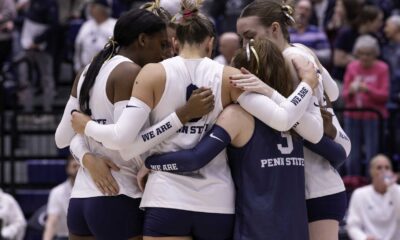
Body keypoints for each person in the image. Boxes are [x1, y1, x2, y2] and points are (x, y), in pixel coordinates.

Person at [70, 0, 323, 239]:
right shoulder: (229, 76)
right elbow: (283, 119)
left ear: (175, 42)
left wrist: (90, 130)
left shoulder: (151, 74)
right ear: (210, 43)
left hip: (165, 199)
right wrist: (307, 85)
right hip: (217, 204)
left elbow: (128, 147)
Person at [139, 38, 343, 240]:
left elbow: (195, 160)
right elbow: (338, 154)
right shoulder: (298, 120)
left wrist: (153, 162)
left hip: (255, 229)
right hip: (294, 229)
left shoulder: (237, 115)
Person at [55, 8, 185, 240]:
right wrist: (180, 117)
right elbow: (124, 143)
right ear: (143, 40)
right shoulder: (128, 71)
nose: (165, 53)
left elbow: (62, 138)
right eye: (162, 44)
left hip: (81, 201)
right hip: (118, 196)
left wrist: (87, 158)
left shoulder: (88, 70)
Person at [236, 1, 351, 239]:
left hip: (317, 179)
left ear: (275, 28)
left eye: (250, 36)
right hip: (313, 168)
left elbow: (310, 127)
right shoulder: (302, 50)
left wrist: (270, 92)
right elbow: (334, 92)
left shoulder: (288, 58)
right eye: (242, 39)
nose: (246, 45)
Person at [343, 35, 389, 176]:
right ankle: (352, 180)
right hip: (352, 115)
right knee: (352, 152)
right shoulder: (352, 67)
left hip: (373, 116)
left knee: (372, 152)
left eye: (368, 54)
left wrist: (367, 89)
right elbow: (344, 96)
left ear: (375, 54)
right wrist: (350, 91)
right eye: (361, 53)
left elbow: (384, 96)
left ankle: (372, 180)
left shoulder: (382, 68)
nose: (364, 57)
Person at [346, 154, 400, 240]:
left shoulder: (397, 191)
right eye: (379, 168)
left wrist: (392, 187)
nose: (384, 171)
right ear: (371, 172)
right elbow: (352, 225)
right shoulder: (359, 194)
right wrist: (363, 238)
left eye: (387, 168)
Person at [73, 0, 116, 73]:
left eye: (93, 6)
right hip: (85, 69)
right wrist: (78, 66)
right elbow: (78, 46)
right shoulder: (86, 25)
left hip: (106, 70)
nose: (90, 9)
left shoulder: (114, 25)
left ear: (102, 9)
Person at [43, 155, 79, 240]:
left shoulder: (95, 191)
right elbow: (52, 222)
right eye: (74, 166)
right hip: (64, 237)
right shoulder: (57, 192)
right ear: (68, 169)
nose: (78, 170)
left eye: (81, 167)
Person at [290, 0, 331, 67]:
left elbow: (327, 56)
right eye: (300, 8)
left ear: (311, 13)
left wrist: (308, 51)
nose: (303, 12)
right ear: (295, 10)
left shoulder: (318, 32)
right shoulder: (287, 32)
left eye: (306, 10)